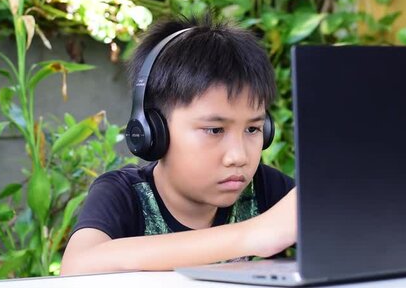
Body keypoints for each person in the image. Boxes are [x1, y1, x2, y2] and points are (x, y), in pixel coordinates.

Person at [60, 14, 297, 275]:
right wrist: (252, 235)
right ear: (152, 131)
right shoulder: (124, 195)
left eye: (253, 129)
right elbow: (76, 267)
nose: (238, 156)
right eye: (215, 130)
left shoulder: (267, 189)